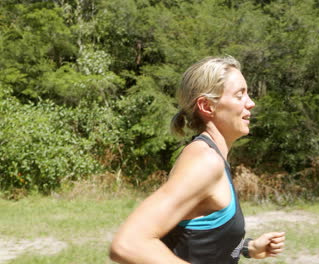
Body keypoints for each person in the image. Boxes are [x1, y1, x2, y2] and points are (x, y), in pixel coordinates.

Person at [109, 56, 286, 264]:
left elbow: (196, 239)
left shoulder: (212, 158)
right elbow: (129, 243)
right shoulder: (204, 161)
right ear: (207, 106)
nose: (251, 103)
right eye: (240, 95)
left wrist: (247, 247)